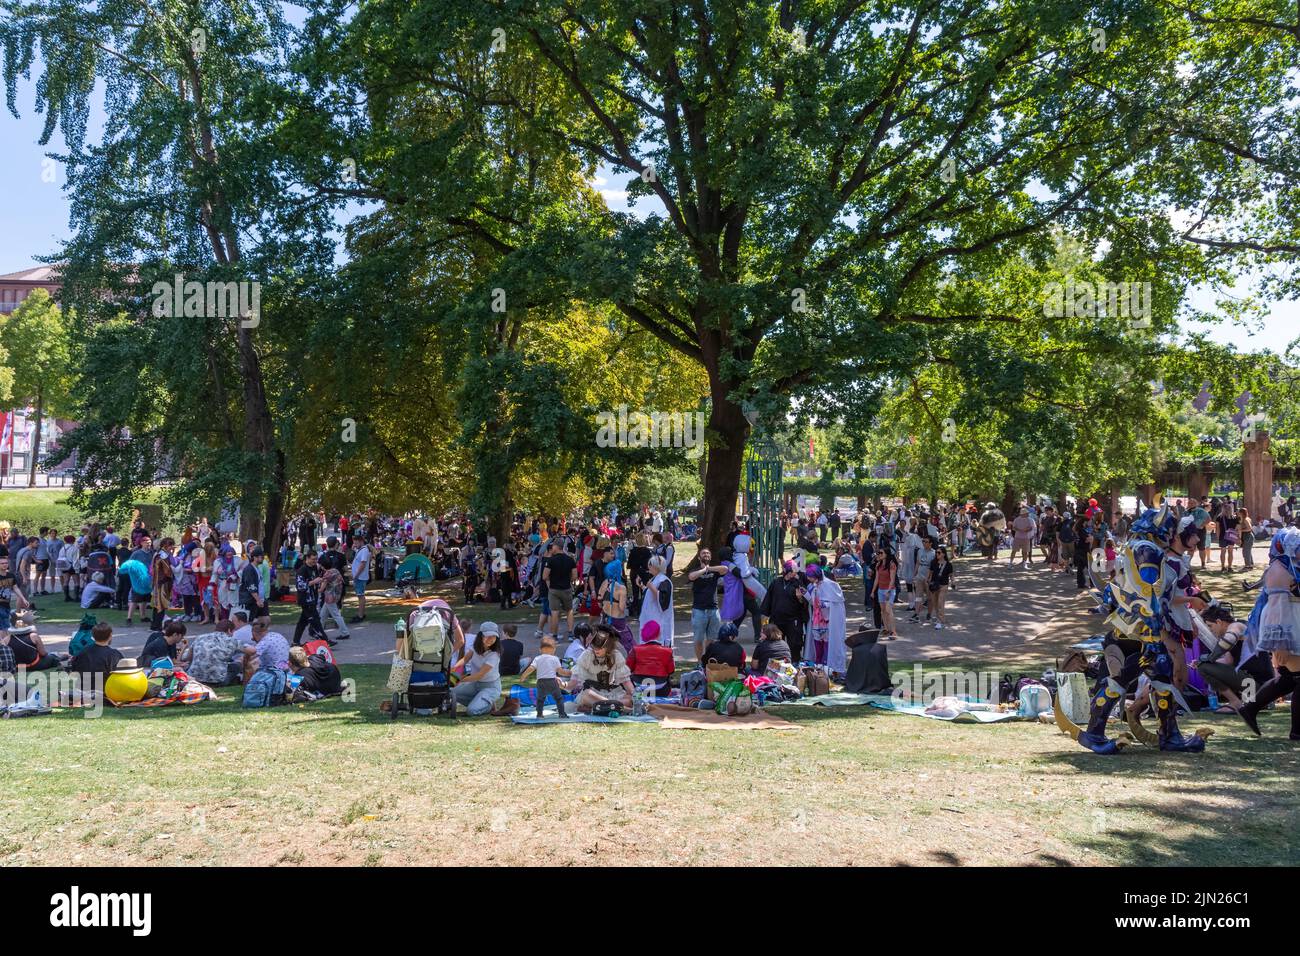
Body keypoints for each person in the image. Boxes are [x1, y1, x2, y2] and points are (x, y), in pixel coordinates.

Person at [1236, 530, 1300, 739]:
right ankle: (1297, 732)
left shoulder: (1288, 566)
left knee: (1290, 679)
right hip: (1285, 630)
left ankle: (1250, 708)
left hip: (1291, 627)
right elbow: (1277, 608)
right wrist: (1279, 642)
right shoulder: (1281, 569)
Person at [570, 626, 635, 712]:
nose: (596, 648)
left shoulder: (616, 655)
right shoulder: (587, 655)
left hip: (612, 693)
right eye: (594, 645)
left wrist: (636, 695)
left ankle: (601, 708)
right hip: (593, 693)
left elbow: (626, 682)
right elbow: (574, 681)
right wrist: (564, 685)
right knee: (586, 695)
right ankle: (618, 707)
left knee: (629, 699)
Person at [452, 622, 504, 716]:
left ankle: (488, 705)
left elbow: (479, 675)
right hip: (475, 684)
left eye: (494, 636)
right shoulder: (475, 647)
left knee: (471, 711)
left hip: (491, 687)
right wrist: (453, 671)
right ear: (481, 636)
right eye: (487, 636)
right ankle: (481, 702)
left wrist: (459, 679)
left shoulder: (494, 654)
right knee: (451, 692)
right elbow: (464, 659)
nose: (490, 639)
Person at [182, 620, 256, 686]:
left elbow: (188, 657)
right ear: (229, 630)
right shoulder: (232, 641)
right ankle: (242, 680)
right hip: (218, 680)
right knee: (238, 663)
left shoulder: (200, 637)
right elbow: (253, 651)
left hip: (194, 678)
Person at [760, 559, 807, 660]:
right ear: (787, 571)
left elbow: (805, 602)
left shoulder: (798, 584)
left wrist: (800, 598)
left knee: (794, 644)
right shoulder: (776, 582)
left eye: (794, 572)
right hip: (777, 619)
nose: (793, 574)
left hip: (793, 620)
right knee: (775, 643)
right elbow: (767, 602)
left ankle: (795, 663)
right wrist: (764, 623)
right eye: (791, 572)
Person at [687, 548, 727, 661]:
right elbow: (691, 577)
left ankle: (708, 661)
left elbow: (725, 569)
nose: (706, 555)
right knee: (698, 639)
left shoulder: (714, 571)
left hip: (713, 610)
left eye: (708, 553)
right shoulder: (695, 570)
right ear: (699, 557)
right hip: (699, 610)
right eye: (703, 553)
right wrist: (703, 570)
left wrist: (709, 568)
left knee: (712, 640)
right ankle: (700, 662)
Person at [517, 636, 569, 718]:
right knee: (558, 698)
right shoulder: (555, 658)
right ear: (554, 649)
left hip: (541, 682)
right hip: (552, 681)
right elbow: (560, 671)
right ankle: (562, 714)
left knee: (540, 699)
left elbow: (531, 668)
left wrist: (524, 675)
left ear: (540, 649)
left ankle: (539, 714)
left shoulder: (537, 658)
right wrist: (569, 673)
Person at [292, 550, 330, 647]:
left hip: (313, 598)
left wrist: (321, 580)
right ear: (307, 558)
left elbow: (316, 579)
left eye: (316, 559)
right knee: (315, 619)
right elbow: (300, 586)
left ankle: (295, 642)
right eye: (313, 559)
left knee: (302, 622)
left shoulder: (314, 568)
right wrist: (313, 582)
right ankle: (325, 640)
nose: (315, 561)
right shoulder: (302, 570)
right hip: (305, 599)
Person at [626, 619, 674, 695]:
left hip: (638, 686)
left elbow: (627, 668)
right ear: (658, 634)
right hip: (660, 689)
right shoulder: (667, 651)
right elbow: (671, 670)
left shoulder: (635, 649)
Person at [543, 540, 578, 640]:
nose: (552, 548)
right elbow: (575, 575)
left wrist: (550, 583)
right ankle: (571, 633)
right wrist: (568, 580)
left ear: (557, 547)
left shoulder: (551, 560)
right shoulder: (570, 560)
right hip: (566, 588)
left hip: (554, 589)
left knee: (554, 612)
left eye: (553, 546)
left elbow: (545, 576)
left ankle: (554, 635)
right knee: (569, 611)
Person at [597, 559, 634, 653]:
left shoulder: (604, 583)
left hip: (605, 619)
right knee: (626, 646)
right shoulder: (621, 588)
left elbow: (599, 602)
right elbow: (622, 608)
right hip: (618, 621)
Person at [638, 555, 674, 650]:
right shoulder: (655, 579)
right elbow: (650, 595)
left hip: (659, 620)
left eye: (650, 565)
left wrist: (650, 586)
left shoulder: (664, 581)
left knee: (658, 644)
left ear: (657, 566)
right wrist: (643, 587)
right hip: (650, 618)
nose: (648, 567)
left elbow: (663, 600)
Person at [873, 547, 899, 641]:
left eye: (881, 553)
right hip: (880, 590)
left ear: (886, 554)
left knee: (888, 610)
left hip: (890, 590)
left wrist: (888, 591)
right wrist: (873, 591)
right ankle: (886, 629)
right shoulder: (878, 564)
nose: (879, 554)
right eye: (878, 553)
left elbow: (892, 580)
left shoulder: (892, 565)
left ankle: (894, 631)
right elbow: (876, 579)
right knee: (883, 611)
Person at [0, 554, 30, 630]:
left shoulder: (10, 575)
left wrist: (23, 599)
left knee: (4, 625)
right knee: (5, 626)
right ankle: (5, 641)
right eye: (2, 563)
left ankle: (4, 641)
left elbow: (15, 588)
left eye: (6, 563)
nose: (4, 565)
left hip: (6, 604)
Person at [927, 546, 954, 629]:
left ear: (943, 554)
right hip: (934, 585)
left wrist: (953, 582)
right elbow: (930, 573)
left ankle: (940, 621)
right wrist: (928, 580)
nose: (937, 554)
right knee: (935, 603)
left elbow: (951, 575)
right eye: (936, 552)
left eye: (939, 553)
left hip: (944, 585)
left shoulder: (948, 565)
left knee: (940, 602)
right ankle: (939, 618)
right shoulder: (933, 563)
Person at [349, 537, 371, 623]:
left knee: (360, 596)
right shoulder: (361, 550)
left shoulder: (364, 550)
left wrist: (356, 575)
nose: (354, 545)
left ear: (361, 541)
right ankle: (361, 613)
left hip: (360, 577)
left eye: (356, 543)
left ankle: (360, 615)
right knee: (360, 595)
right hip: (359, 577)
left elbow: (363, 563)